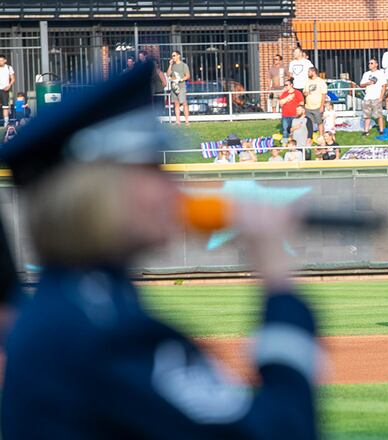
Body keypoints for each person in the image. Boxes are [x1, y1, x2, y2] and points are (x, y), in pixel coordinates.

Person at [0, 62, 319, 439]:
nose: (173, 188)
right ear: (97, 191)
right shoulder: (108, 334)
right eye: (151, 168)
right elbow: (281, 430)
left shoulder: (75, 307)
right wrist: (277, 278)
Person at [360, 58, 386, 136]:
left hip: (376, 96)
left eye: (372, 63)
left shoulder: (380, 73)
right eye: (369, 63)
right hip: (367, 97)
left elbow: (384, 86)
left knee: (378, 115)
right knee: (367, 116)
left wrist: (381, 97)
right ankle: (366, 130)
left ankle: (381, 130)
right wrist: (368, 83)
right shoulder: (366, 74)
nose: (370, 65)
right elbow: (361, 84)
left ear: (376, 64)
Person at [166, 51, 191, 125]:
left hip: (181, 86)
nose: (173, 57)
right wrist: (170, 65)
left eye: (174, 55)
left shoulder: (184, 65)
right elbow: (168, 74)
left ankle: (187, 121)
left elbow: (188, 76)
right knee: (176, 104)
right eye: (172, 56)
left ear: (178, 56)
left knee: (184, 103)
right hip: (174, 86)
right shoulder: (172, 65)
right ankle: (178, 121)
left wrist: (181, 79)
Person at [304, 67, 327, 138]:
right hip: (308, 106)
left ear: (313, 72)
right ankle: (309, 136)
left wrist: (322, 106)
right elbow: (304, 91)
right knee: (308, 122)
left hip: (317, 106)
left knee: (319, 122)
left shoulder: (321, 81)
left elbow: (324, 94)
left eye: (309, 72)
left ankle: (321, 136)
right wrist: (305, 93)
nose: (308, 73)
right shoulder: (308, 81)